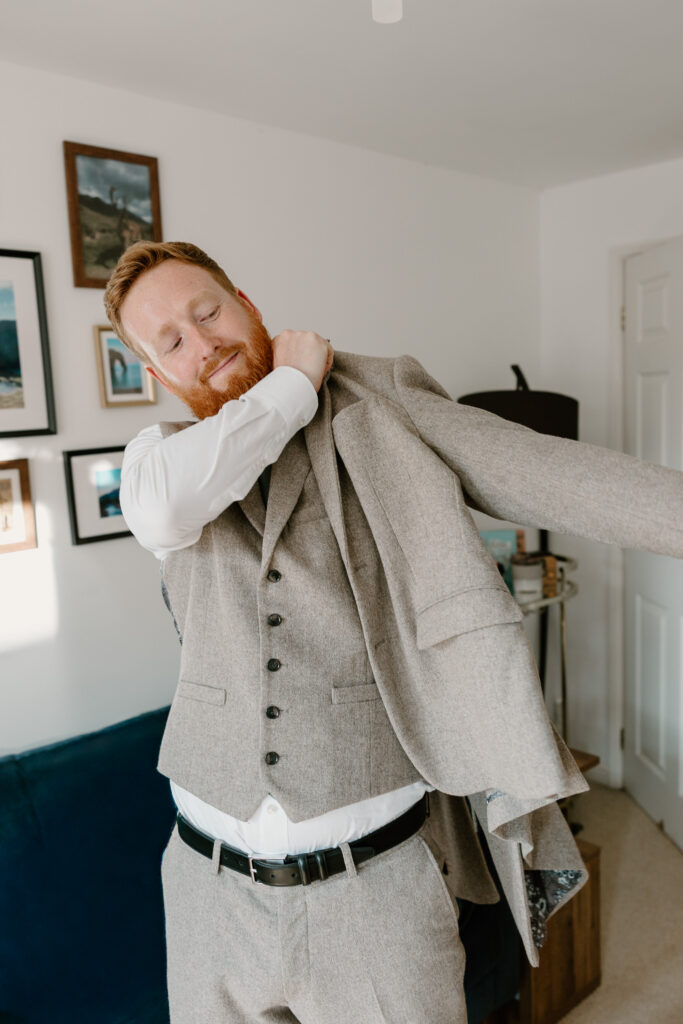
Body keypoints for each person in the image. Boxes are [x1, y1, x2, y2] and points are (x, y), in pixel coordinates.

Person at [105, 241, 683, 1024]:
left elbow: (541, 471)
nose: (202, 343)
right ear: (155, 373)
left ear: (247, 303)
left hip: (373, 893)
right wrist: (291, 384)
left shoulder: (377, 400)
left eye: (208, 312)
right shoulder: (156, 462)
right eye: (172, 340)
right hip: (207, 895)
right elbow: (166, 509)